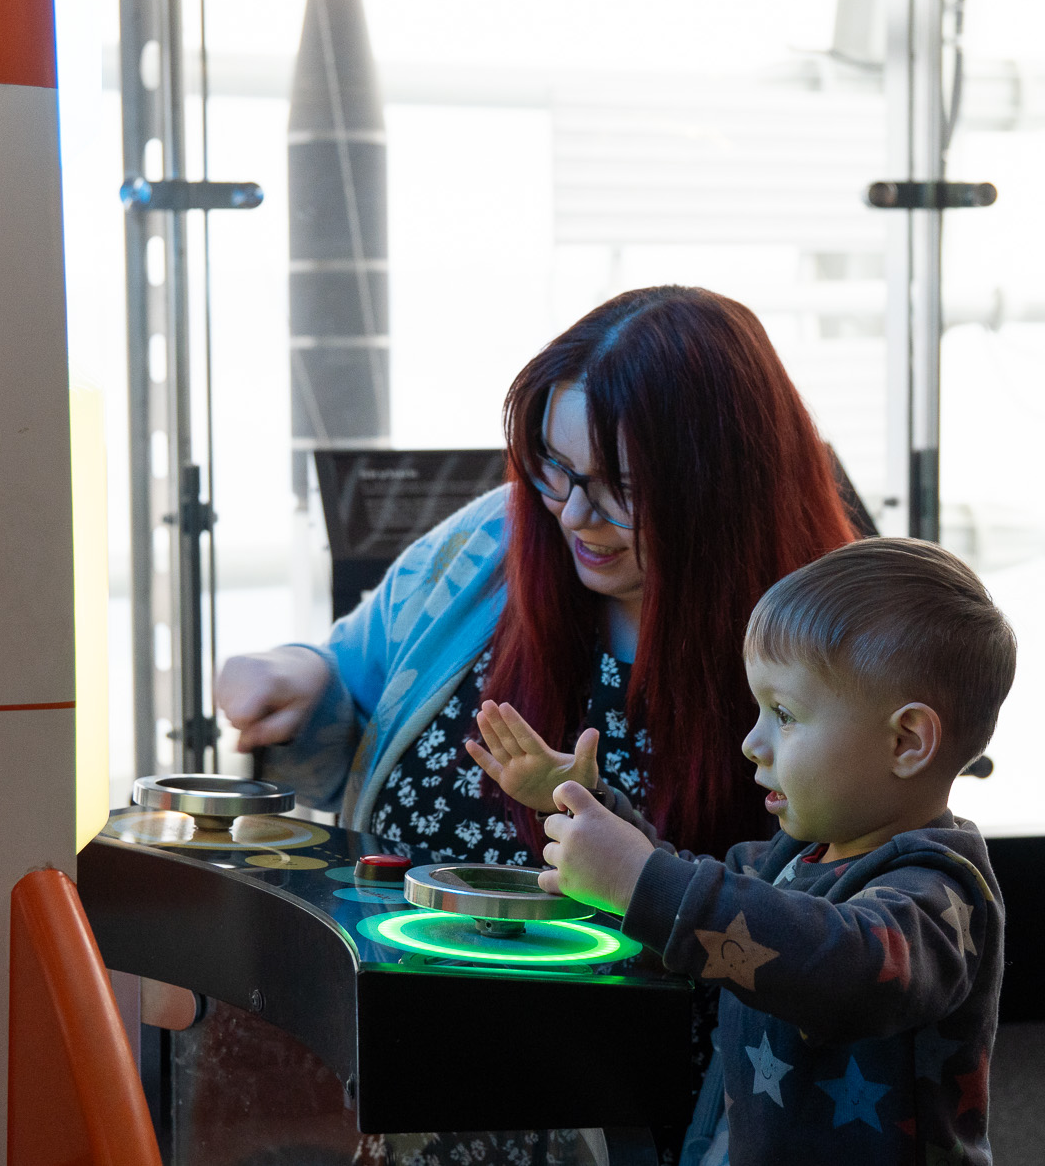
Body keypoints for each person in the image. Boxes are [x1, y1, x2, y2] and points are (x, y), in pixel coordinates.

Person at [219, 284, 859, 865]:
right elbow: (354, 674)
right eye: (554, 467)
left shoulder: (831, 642)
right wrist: (297, 674)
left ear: (726, 489)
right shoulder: (493, 537)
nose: (576, 515)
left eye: (623, 487)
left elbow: (801, 926)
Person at [479, 537, 1015, 1166]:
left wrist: (640, 879)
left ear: (906, 741)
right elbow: (695, 895)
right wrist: (586, 805)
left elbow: (846, 969)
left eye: (783, 714)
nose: (751, 743)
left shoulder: (940, 893)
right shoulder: (795, 858)